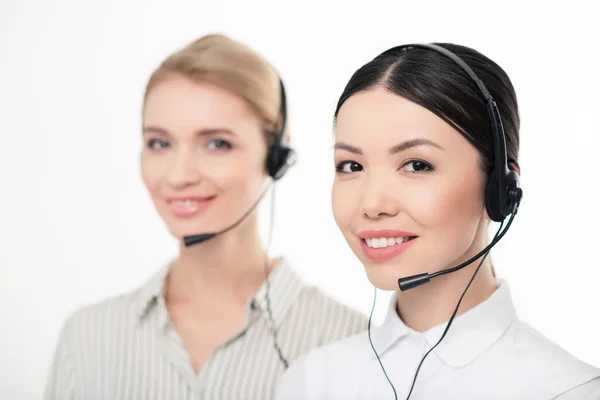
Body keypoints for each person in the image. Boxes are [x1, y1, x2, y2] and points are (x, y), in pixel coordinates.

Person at [43, 34, 367, 400]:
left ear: (276, 156)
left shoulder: (349, 339)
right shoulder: (87, 337)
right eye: (160, 143)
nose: (179, 175)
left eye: (217, 143)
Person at [276, 43, 600, 399]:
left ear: (499, 188)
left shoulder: (569, 390)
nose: (372, 204)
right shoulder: (310, 382)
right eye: (351, 166)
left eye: (417, 165)